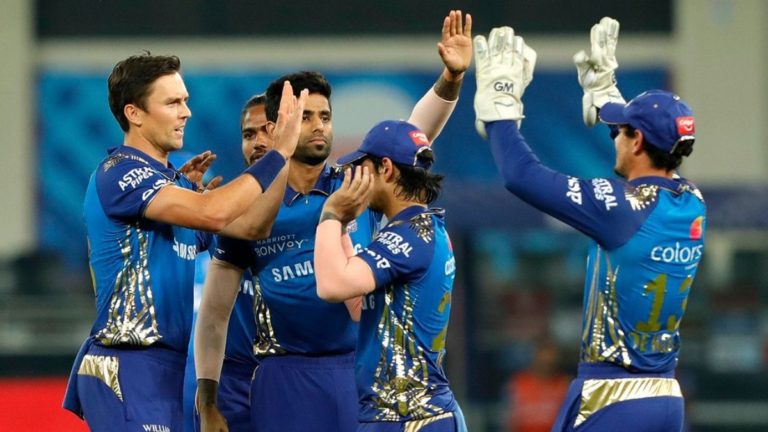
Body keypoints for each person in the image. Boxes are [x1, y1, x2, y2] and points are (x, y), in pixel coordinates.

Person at [195, 10, 472, 432]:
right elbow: (215, 313)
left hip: (353, 370)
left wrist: (451, 78)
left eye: (324, 117)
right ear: (277, 126)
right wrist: (208, 399)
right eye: (305, 117)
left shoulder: (354, 184)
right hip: (283, 374)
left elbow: (413, 135)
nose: (319, 127)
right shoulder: (249, 212)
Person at [472, 19, 705, 432]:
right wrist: (605, 97)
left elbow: (521, 175)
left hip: (612, 396)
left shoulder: (619, 208)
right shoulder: (691, 201)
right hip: (667, 396)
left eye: (622, 131)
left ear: (637, 141)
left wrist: (499, 110)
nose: (614, 137)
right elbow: (649, 153)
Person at [61, 52, 308, 431]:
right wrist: (278, 152)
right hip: (126, 363)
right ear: (134, 113)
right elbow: (214, 213)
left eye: (186, 101)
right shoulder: (120, 173)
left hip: (164, 370)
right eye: (172, 102)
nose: (186, 112)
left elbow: (253, 226)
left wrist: (283, 162)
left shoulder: (171, 185)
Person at [314, 119, 465, 431]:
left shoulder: (409, 235)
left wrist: (331, 213)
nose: (356, 178)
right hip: (398, 414)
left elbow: (330, 286)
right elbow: (358, 306)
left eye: (362, 167)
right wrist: (341, 230)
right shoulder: (418, 229)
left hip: (412, 418)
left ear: (385, 168)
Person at [182, 94, 272, 432]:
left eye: (268, 131)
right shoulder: (222, 209)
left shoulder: (324, 206)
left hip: (294, 375)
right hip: (230, 381)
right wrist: (191, 210)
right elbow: (213, 317)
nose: (258, 142)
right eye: (249, 134)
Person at [502, 340, 569, 432]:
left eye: (550, 360)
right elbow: (509, 422)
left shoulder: (565, 385)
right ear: (534, 358)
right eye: (543, 359)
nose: (546, 363)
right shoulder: (518, 384)